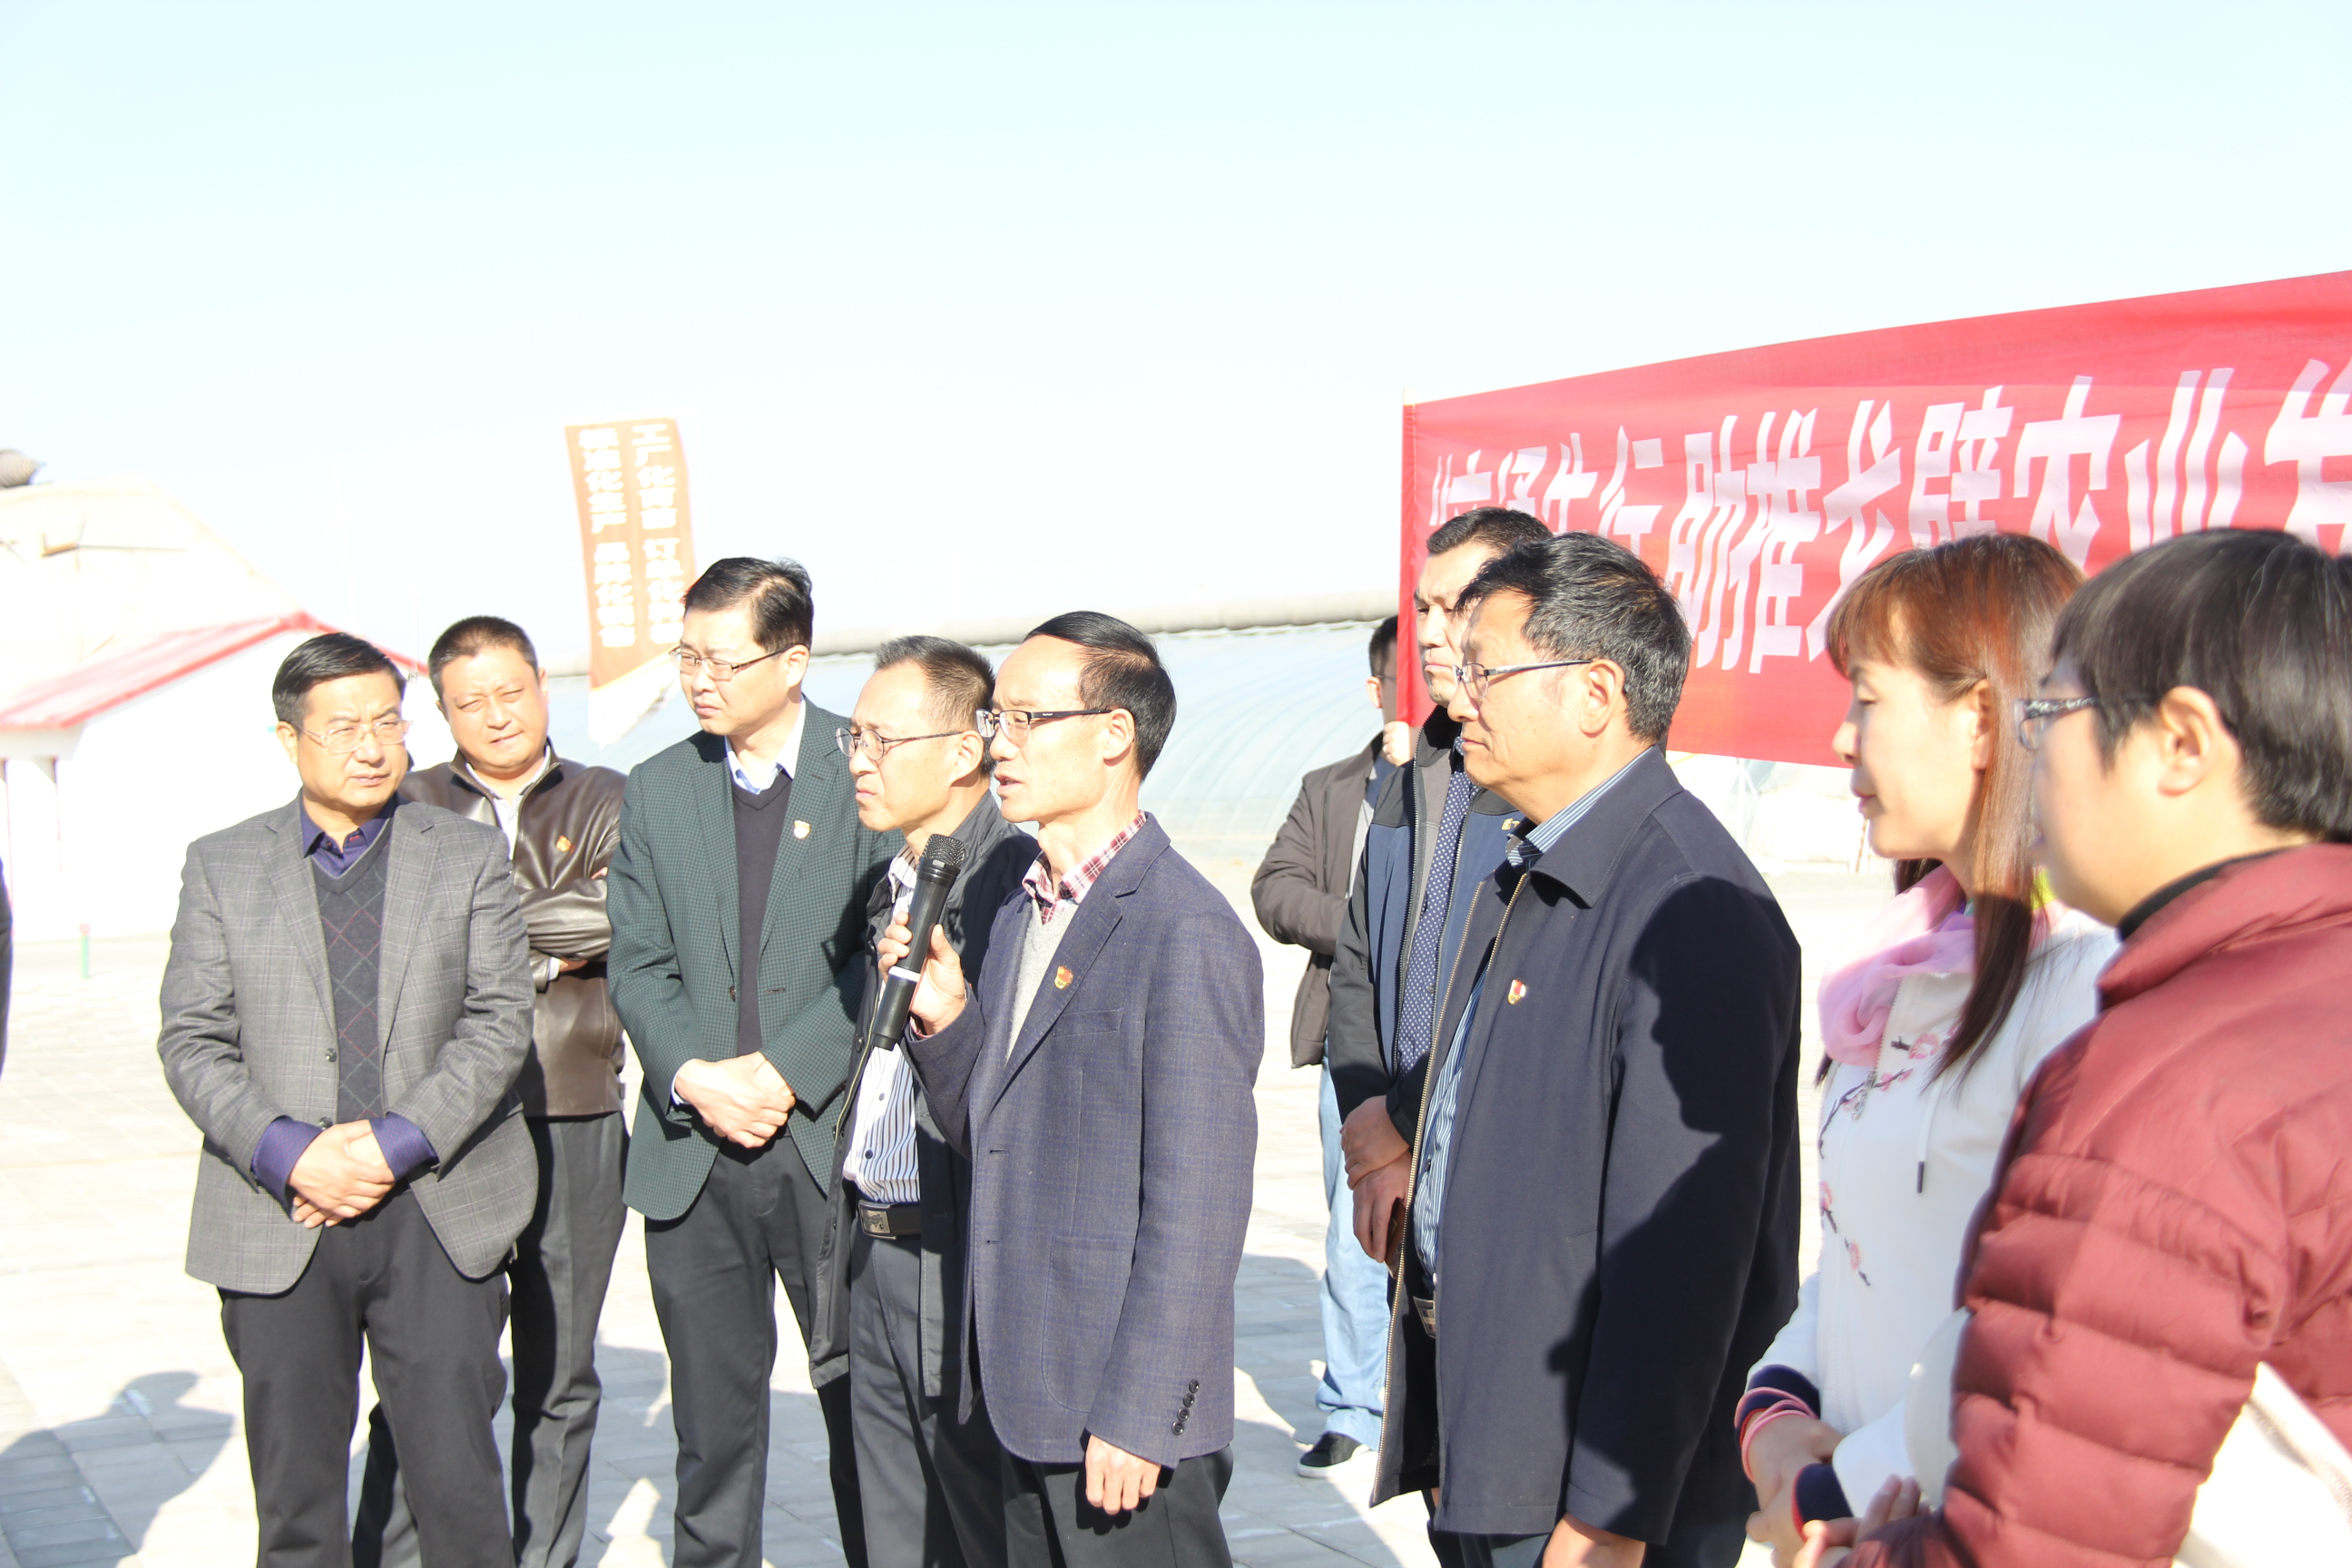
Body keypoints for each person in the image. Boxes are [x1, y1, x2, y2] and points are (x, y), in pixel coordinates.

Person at [1823, 529, 2352, 1567]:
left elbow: (2041, 1539)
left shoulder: (2172, 1078)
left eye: (2051, 714)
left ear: (2183, 745)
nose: (2035, 755)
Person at [1373, 534, 1802, 1568]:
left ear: (1597, 693)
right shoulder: (1529, 868)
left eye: (1486, 671)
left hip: (1591, 1492)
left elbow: (1683, 1256)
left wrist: (1612, 1514)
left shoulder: (1689, 905)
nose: (1457, 699)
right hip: (1499, 1440)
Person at [1735, 537, 2117, 1563]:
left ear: (1982, 718)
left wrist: (1828, 1490)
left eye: (1867, 699)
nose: (1839, 736)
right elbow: (1857, 1251)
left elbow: (2052, 1329)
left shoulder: (2084, 982)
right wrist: (1775, 1416)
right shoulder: (1906, 966)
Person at [881, 612, 1262, 1568]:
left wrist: (1144, 1409)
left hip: (1116, 1417)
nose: (998, 744)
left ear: (1113, 735)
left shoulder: (1183, 930)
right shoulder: (1021, 912)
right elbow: (996, 1134)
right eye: (994, 720)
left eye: (1026, 719)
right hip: (1020, 1392)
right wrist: (950, 1021)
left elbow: (1200, 1204)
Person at [156, 632, 536, 1568]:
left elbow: (499, 1020)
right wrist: (292, 1151)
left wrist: (390, 1144)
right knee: (296, 1505)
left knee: (459, 1494)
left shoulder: (465, 853)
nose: (372, 747)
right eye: (344, 728)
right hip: (279, 1213)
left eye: (388, 724)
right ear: (290, 740)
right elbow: (192, 1038)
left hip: (435, 1206)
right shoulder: (223, 864)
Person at [607, 557, 892, 1568]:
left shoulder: (865, 771)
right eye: (687, 657)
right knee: (711, 1431)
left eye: (723, 661)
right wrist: (696, 1075)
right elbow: (637, 962)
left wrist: (784, 1072)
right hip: (695, 1150)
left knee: (865, 1413)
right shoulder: (659, 788)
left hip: (825, 1144)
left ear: (794, 661)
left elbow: (884, 950)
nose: (700, 680)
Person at [354, 614, 631, 1568]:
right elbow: (394, 940)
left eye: (511, 692)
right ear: (442, 712)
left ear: (543, 687)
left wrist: (479, 936)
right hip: (441, 1121)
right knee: (430, 1370)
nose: (497, 714)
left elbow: (620, 914)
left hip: (572, 1107)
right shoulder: (407, 804)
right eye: (471, 702)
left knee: (562, 1372)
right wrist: (540, 949)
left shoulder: (608, 796)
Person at [809, 635, 1031, 1568]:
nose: (859, 761)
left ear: (964, 750)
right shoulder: (891, 883)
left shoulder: (1015, 883)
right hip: (875, 1246)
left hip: (957, 1255)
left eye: (882, 741)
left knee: (981, 1530)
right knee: (896, 1534)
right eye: (853, 739)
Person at [1328, 506, 1551, 1272]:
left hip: (1495, 1171)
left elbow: (1507, 995)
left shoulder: (1542, 789)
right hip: (1394, 1162)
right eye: (1423, 607)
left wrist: (1401, 1120)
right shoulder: (1414, 774)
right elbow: (1358, 965)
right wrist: (1370, 1122)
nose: (1427, 631)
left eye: (1455, 607)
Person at [1250, 614, 1406, 1474]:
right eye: (1407, 676)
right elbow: (1274, 889)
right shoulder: (1332, 788)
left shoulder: (1479, 781)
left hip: (1448, 1036)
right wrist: (1366, 923)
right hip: (1353, 1040)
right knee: (1355, 1226)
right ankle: (1354, 1405)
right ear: (1378, 688)